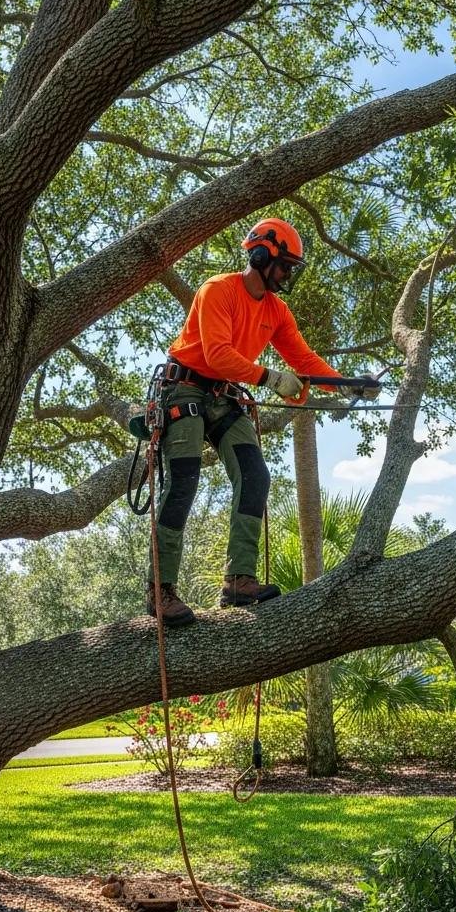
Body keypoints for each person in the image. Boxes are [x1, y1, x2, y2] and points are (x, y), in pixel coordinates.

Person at [145, 217, 377, 628]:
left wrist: (346, 385)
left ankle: (239, 580)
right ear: (260, 254)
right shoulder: (218, 290)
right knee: (183, 480)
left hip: (221, 395)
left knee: (255, 476)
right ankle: (160, 590)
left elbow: (304, 361)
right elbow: (217, 355)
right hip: (185, 388)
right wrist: (270, 378)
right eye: (285, 264)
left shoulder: (276, 311)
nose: (288, 274)